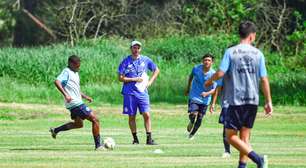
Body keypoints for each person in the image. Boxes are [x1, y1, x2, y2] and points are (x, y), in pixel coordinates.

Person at [205, 21, 273, 168]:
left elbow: (221, 72)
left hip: (235, 100)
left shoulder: (231, 52)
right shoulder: (258, 54)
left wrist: (210, 80)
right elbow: (264, 79)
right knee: (245, 137)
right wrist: (268, 101)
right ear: (252, 36)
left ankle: (258, 159)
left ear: (240, 34)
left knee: (230, 137)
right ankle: (242, 166)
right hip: (252, 100)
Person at [50, 55, 104, 150]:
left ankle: (55, 130)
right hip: (75, 103)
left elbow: (75, 89)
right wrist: (66, 94)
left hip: (76, 102)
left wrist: (85, 97)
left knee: (79, 124)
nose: (79, 67)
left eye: (79, 66)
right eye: (77, 66)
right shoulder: (66, 71)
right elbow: (57, 81)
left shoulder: (75, 73)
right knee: (95, 119)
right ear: (71, 64)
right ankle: (98, 146)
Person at [118, 40, 160, 145]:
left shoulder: (145, 60)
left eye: (138, 48)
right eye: (134, 48)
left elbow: (156, 70)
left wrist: (150, 82)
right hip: (130, 93)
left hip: (142, 92)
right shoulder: (125, 61)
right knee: (132, 116)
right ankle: (135, 139)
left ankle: (149, 138)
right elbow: (120, 78)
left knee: (146, 114)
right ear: (131, 49)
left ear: (140, 49)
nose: (136, 50)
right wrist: (133, 79)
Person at [184, 53, 217, 140]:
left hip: (205, 100)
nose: (206, 62)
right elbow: (191, 77)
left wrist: (208, 95)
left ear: (212, 62)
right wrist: (188, 88)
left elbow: (215, 90)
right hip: (194, 96)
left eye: (209, 60)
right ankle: (191, 122)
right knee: (193, 114)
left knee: (200, 118)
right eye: (205, 60)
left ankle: (191, 135)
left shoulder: (214, 74)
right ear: (202, 61)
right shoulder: (196, 69)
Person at [210, 78, 231, 158]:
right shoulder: (223, 76)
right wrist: (213, 103)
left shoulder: (241, 74)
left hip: (239, 106)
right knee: (226, 129)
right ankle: (227, 151)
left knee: (241, 130)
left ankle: (245, 151)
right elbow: (217, 90)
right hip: (226, 106)